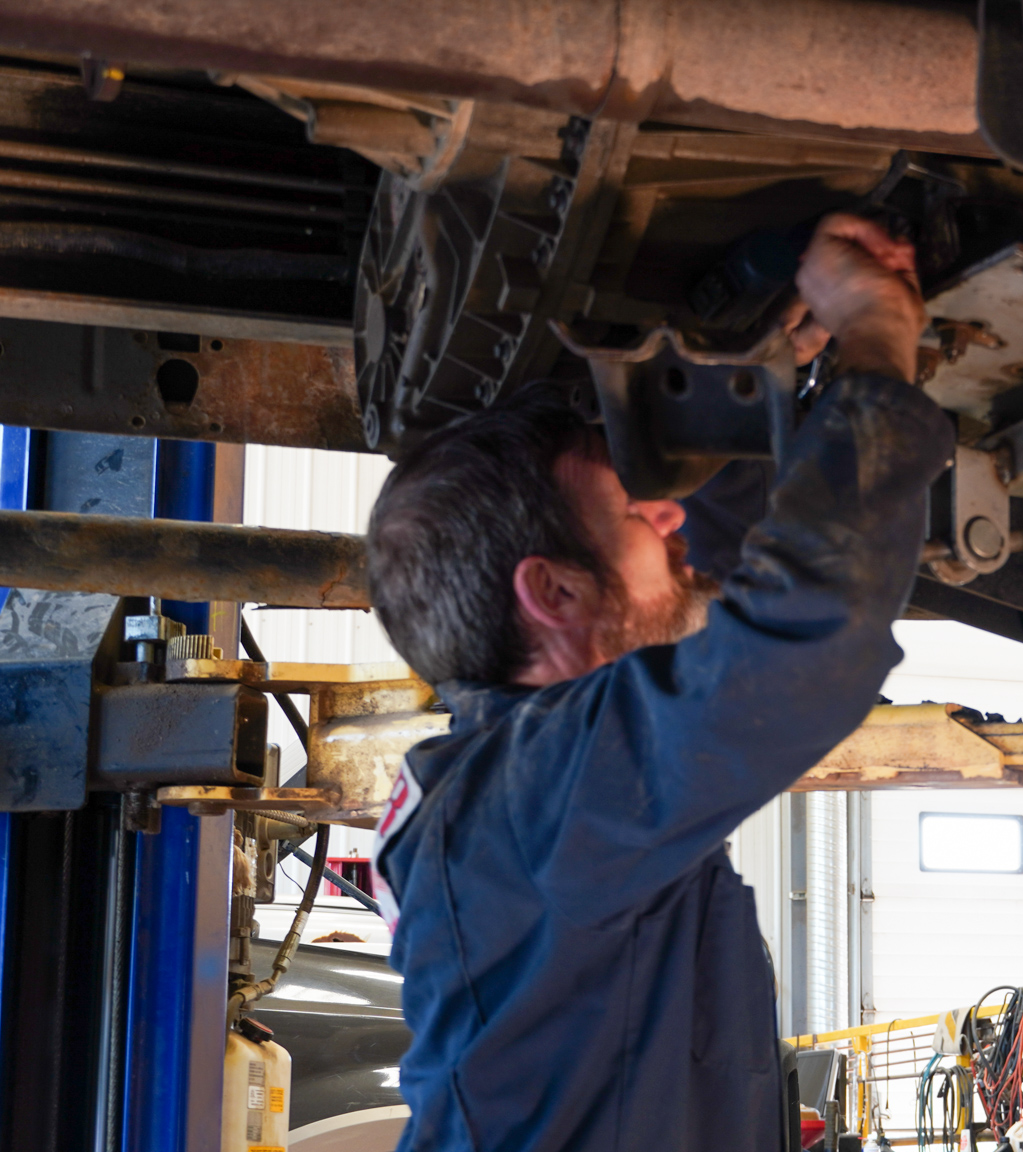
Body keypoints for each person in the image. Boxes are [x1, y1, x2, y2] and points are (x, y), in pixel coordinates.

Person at [364, 214, 950, 1151]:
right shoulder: (535, 797)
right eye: (639, 514)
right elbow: (798, 633)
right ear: (551, 592)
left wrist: (737, 384)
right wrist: (875, 339)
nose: (672, 512)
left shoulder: (523, 796)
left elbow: (737, 594)